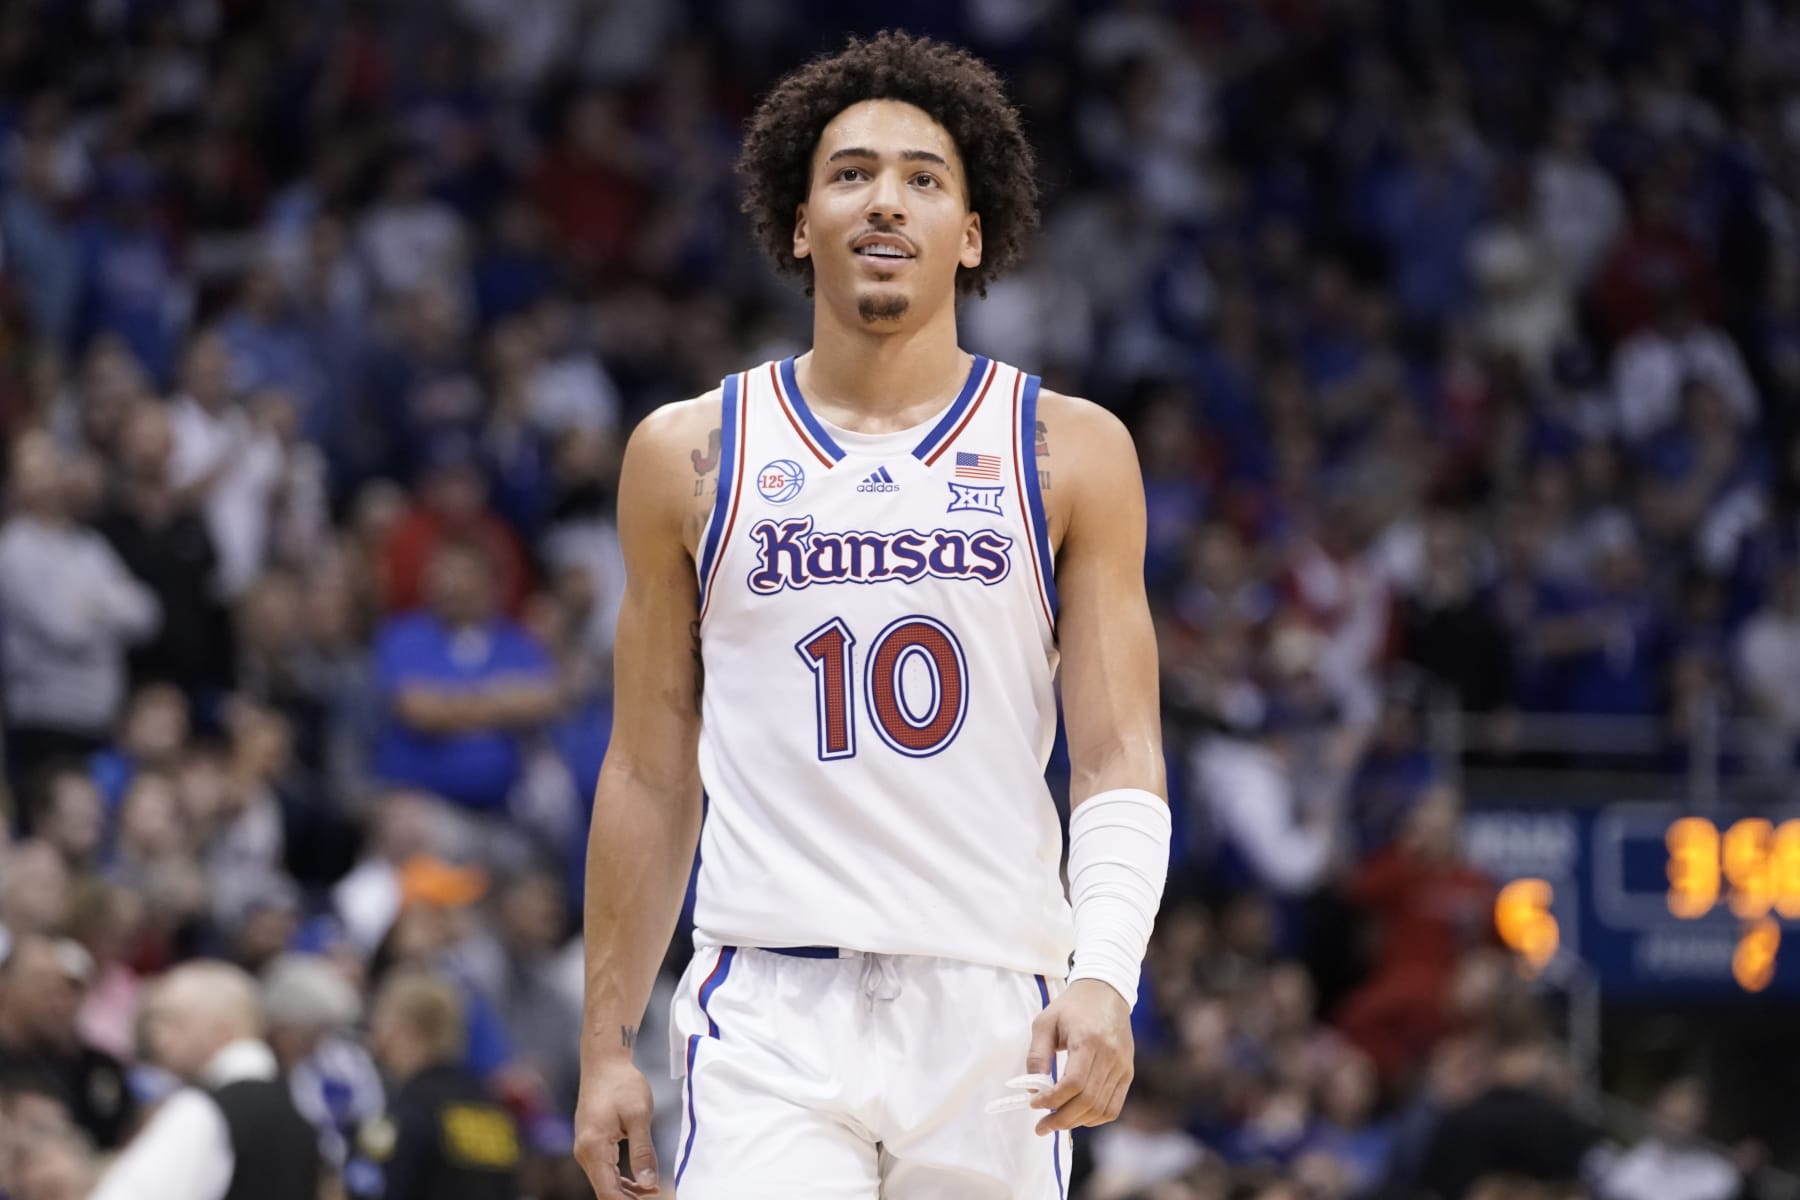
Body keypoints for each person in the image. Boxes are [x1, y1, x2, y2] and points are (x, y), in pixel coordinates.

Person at [575, 31, 1169, 1200]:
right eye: (849, 174)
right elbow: (649, 773)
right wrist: (606, 1047)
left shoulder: (1071, 452)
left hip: (996, 1001)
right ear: (801, 226)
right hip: (771, 1004)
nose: (885, 200)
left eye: (923, 177)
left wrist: (1104, 975)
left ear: (973, 231)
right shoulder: (687, 454)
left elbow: (1116, 758)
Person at [87, 961, 321, 1200]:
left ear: (222, 1030)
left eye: (173, 1021)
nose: (157, 1038)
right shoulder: (298, 1114)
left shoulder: (203, 1110)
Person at [351, 967, 521, 1200]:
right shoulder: (492, 1112)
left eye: (380, 1018)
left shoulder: (404, 1111)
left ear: (403, 1029)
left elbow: (369, 1188)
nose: (374, 1031)